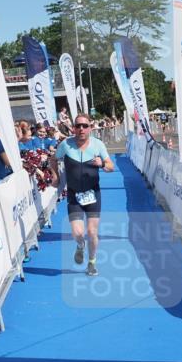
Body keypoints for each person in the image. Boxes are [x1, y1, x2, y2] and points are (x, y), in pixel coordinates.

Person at [51, 113, 114, 277]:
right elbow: (53, 159)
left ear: (90, 128)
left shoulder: (98, 145)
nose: (81, 129)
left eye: (85, 126)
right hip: (74, 195)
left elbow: (110, 166)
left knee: (92, 232)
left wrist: (102, 164)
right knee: (78, 233)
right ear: (73, 128)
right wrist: (56, 175)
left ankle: (92, 262)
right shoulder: (65, 145)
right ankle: (80, 246)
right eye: (78, 126)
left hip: (93, 194)